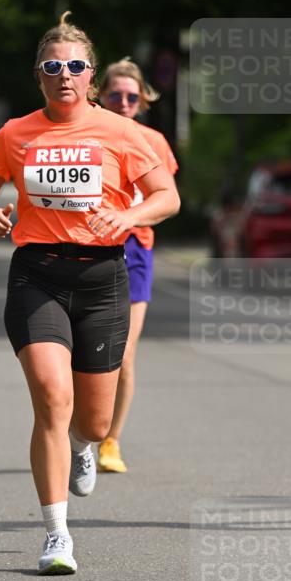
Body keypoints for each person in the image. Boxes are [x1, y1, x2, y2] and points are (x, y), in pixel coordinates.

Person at [0, 13, 180, 575]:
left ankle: (86, 445)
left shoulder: (123, 133)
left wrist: (129, 214)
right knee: (50, 396)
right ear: (39, 76)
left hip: (103, 278)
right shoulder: (15, 132)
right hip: (37, 273)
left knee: (96, 422)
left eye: (75, 66)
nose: (65, 75)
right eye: (53, 67)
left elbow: (167, 197)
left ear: (92, 77)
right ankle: (57, 534)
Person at [96, 57, 179, 473]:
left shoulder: (155, 142)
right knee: (84, 352)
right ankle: (82, 430)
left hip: (135, 251)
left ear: (143, 99)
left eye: (132, 96)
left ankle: (111, 440)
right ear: (100, 96)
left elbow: (168, 200)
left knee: (124, 355)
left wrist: (134, 215)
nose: (124, 102)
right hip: (89, 247)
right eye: (115, 95)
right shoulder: (87, 136)